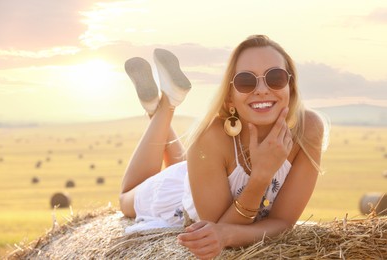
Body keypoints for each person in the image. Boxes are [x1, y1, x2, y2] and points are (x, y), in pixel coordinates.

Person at [119, 35, 326, 259]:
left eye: (275, 77)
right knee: (125, 199)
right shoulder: (210, 137)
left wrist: (227, 233)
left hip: (205, 173)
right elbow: (216, 231)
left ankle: (159, 106)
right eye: (246, 81)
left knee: (187, 166)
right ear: (229, 97)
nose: (262, 89)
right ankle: (165, 106)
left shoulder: (309, 129)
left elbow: (283, 222)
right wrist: (261, 176)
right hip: (179, 197)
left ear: (291, 87)